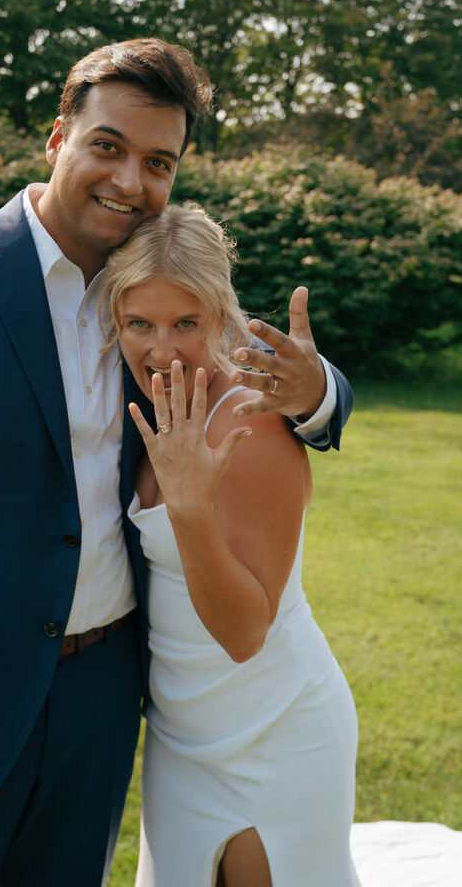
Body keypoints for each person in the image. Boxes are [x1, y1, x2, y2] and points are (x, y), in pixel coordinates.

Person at [0, 39, 352, 887]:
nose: (130, 181)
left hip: (104, 695)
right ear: (58, 138)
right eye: (107, 147)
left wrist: (320, 395)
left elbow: (275, 375)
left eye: (157, 161)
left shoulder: (153, 295)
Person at [101, 204, 361, 887]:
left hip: (271, 730)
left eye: (185, 323)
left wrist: (187, 508)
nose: (160, 350)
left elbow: (245, 632)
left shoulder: (252, 420)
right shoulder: (139, 401)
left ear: (222, 317)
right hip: (178, 733)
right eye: (139, 324)